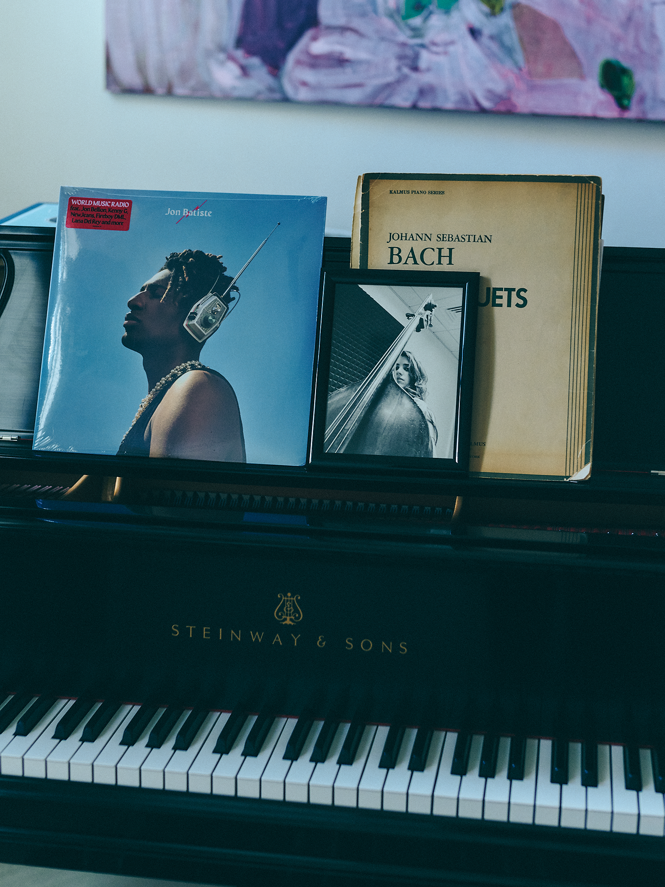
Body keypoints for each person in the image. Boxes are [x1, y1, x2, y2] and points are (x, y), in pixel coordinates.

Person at [117, 249, 246, 462]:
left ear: (201, 315)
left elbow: (166, 494)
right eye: (141, 291)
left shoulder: (198, 387)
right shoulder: (162, 398)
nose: (134, 301)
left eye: (156, 294)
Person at [392, 350, 438, 455]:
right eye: (396, 367)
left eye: (406, 368)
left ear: (413, 374)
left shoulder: (419, 406)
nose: (399, 371)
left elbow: (429, 451)